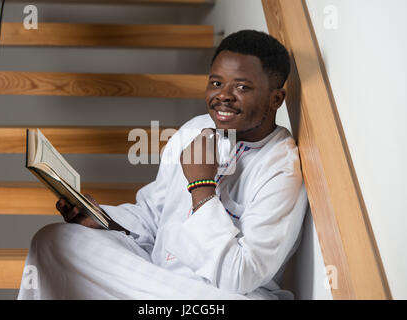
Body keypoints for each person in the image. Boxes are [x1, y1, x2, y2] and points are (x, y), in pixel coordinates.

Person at [17, 30, 308, 300]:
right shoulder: (194, 130)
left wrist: (201, 188)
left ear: (276, 99)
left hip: (216, 296)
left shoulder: (281, 168)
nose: (223, 96)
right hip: (156, 279)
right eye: (216, 83)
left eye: (241, 87)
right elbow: (152, 217)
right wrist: (104, 220)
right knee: (55, 240)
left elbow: (238, 276)